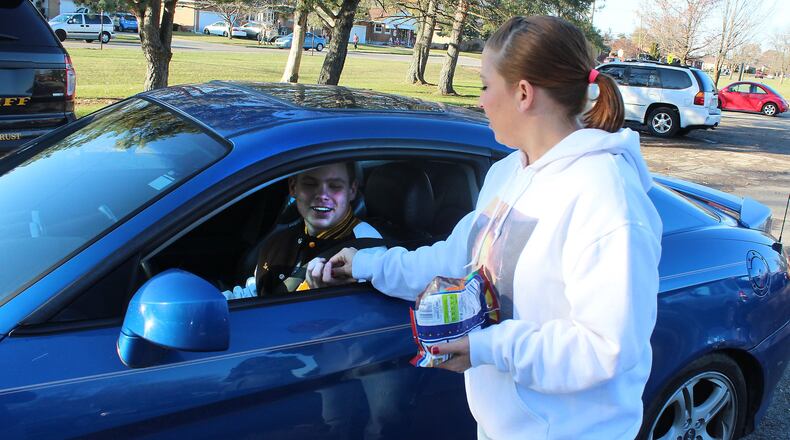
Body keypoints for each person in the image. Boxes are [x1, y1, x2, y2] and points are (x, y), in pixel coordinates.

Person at [316, 16, 662, 440]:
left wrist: (486, 348)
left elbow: (604, 348)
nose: (479, 101)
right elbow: (455, 260)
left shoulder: (607, 198)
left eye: (484, 85)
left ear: (523, 94)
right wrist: (366, 264)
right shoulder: (509, 173)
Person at [222, 162, 382, 300]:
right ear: (293, 187)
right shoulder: (278, 240)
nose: (322, 195)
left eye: (335, 186)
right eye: (310, 184)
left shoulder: (368, 253)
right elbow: (255, 293)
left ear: (352, 190)